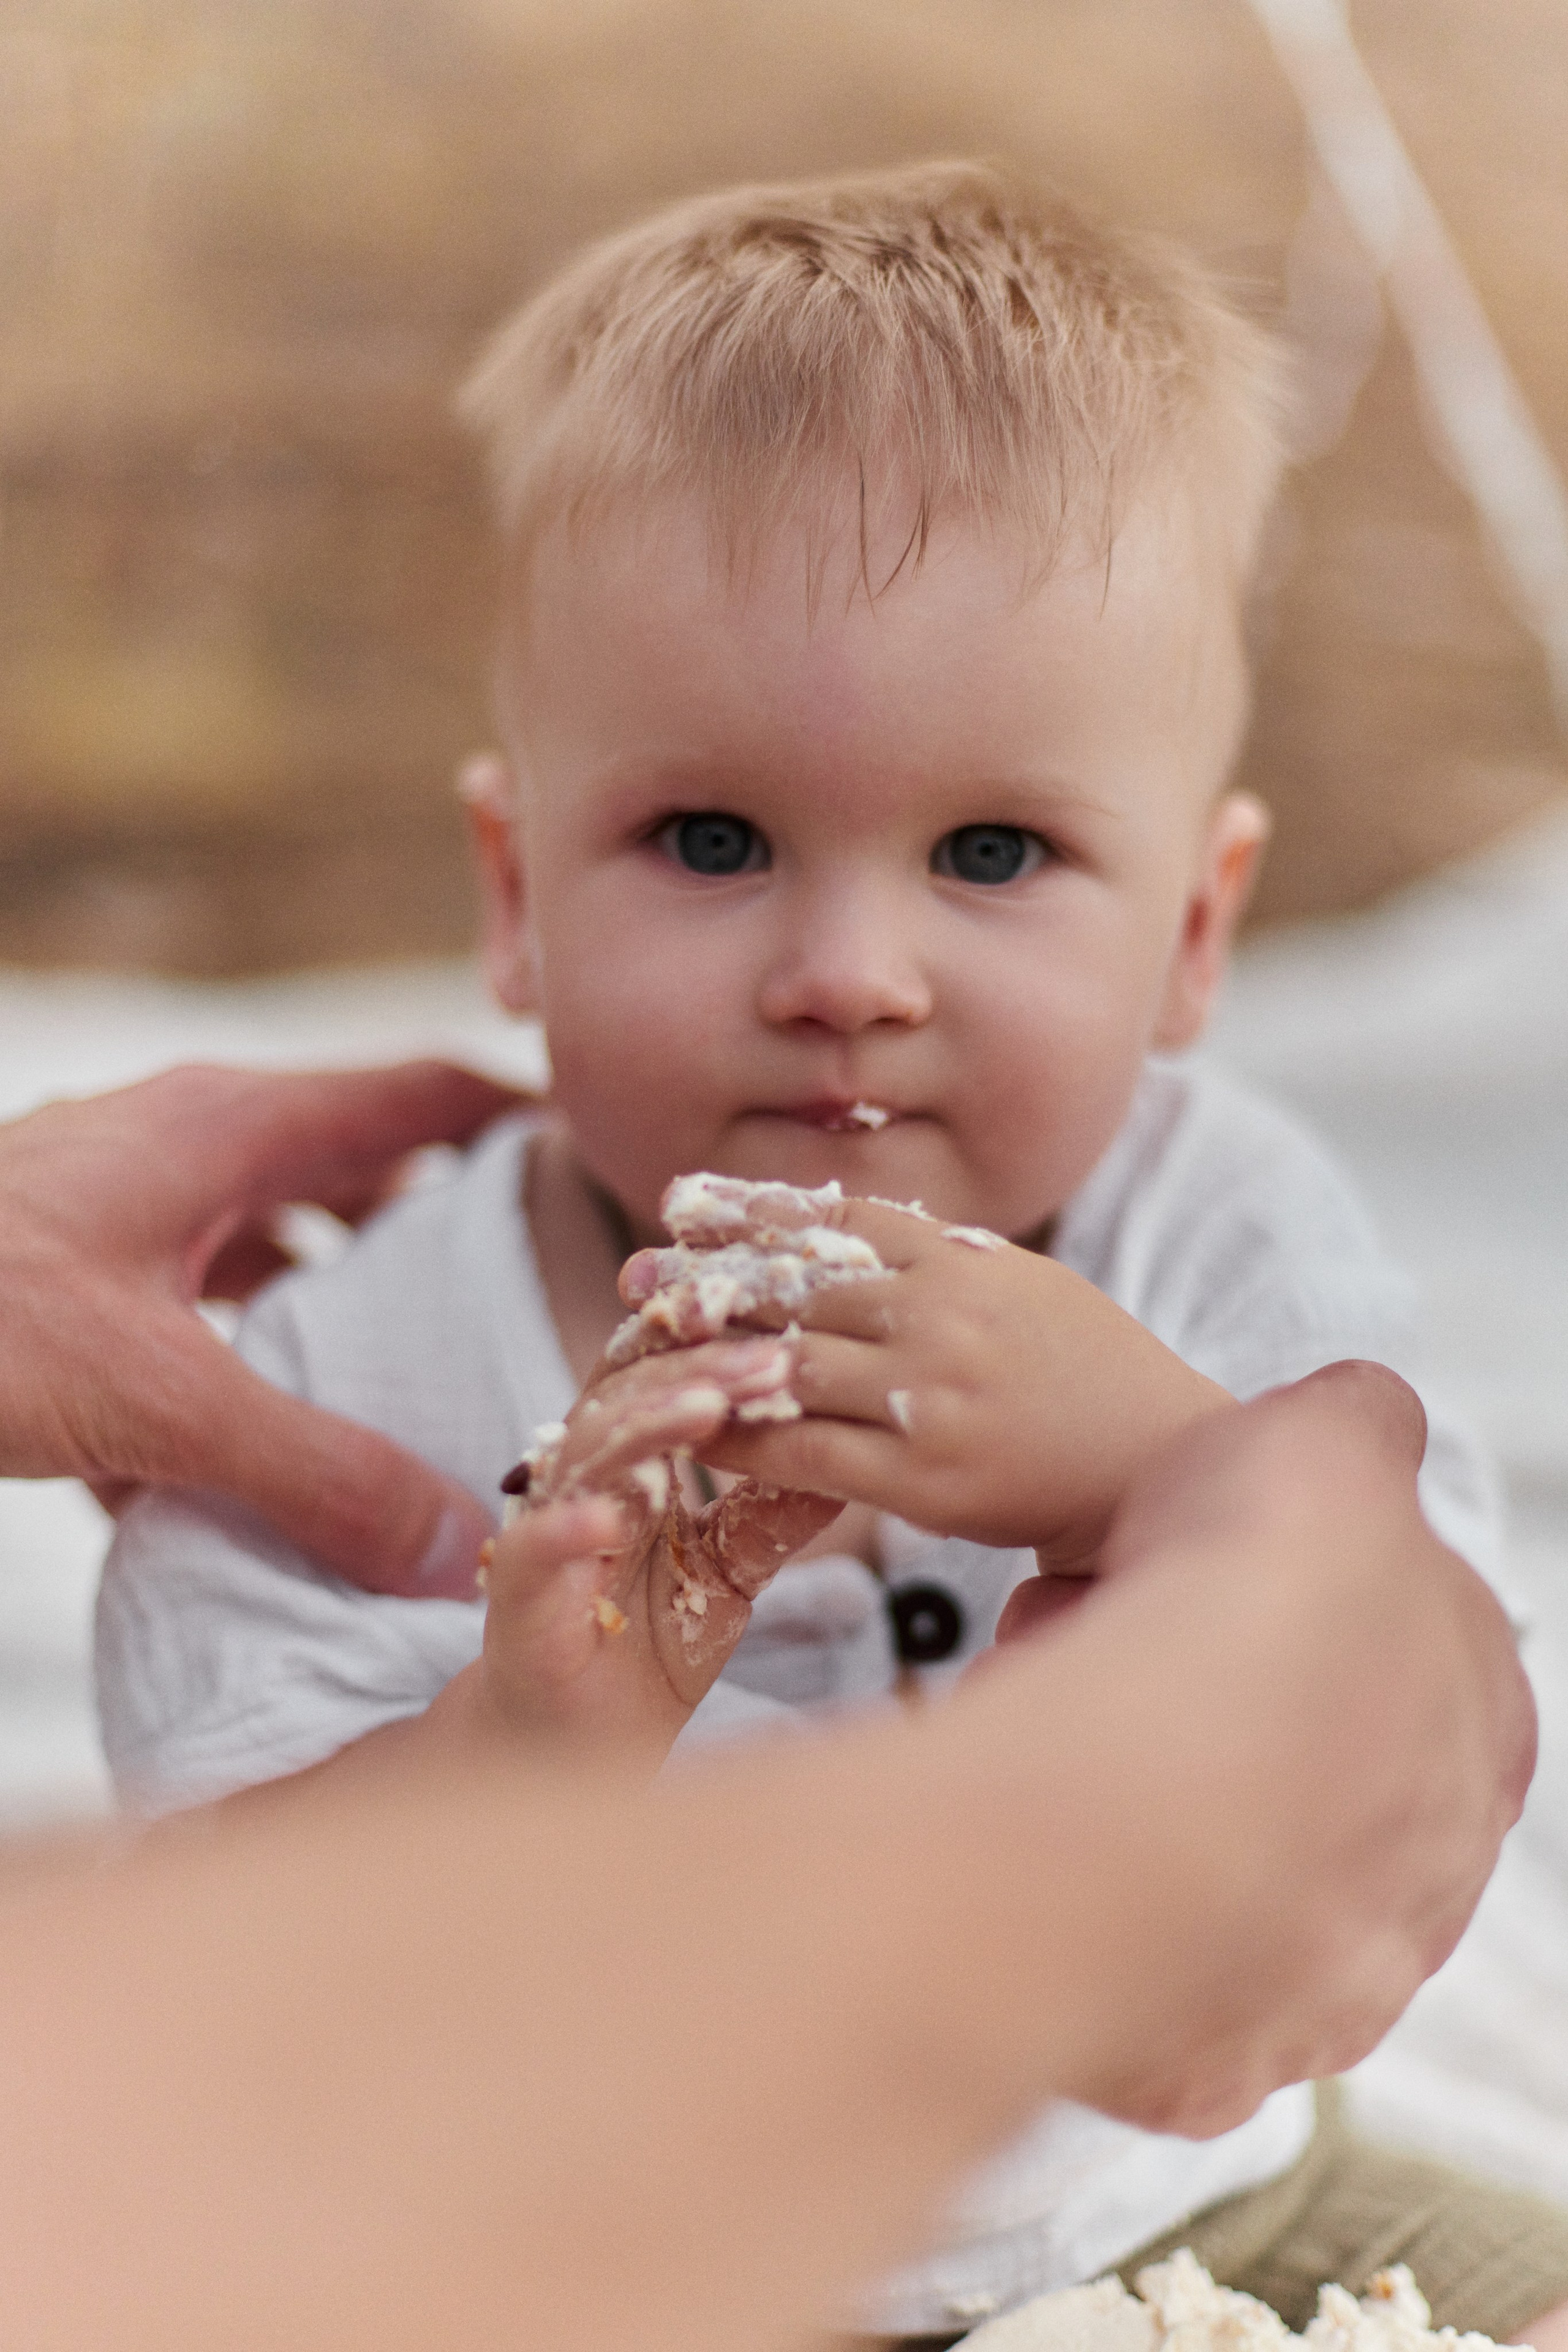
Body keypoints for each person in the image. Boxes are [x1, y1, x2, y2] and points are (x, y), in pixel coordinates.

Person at [89, 164, 1567, 2342]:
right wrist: (527, 1736)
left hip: (1189, 2227)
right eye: (711, 839)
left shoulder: (1213, 1223)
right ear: (513, 897)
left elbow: (1431, 1702)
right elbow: (217, 1981)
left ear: (1192, 933)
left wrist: (1158, 1466)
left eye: (994, 851)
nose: (850, 972)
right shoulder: (339, 1384)